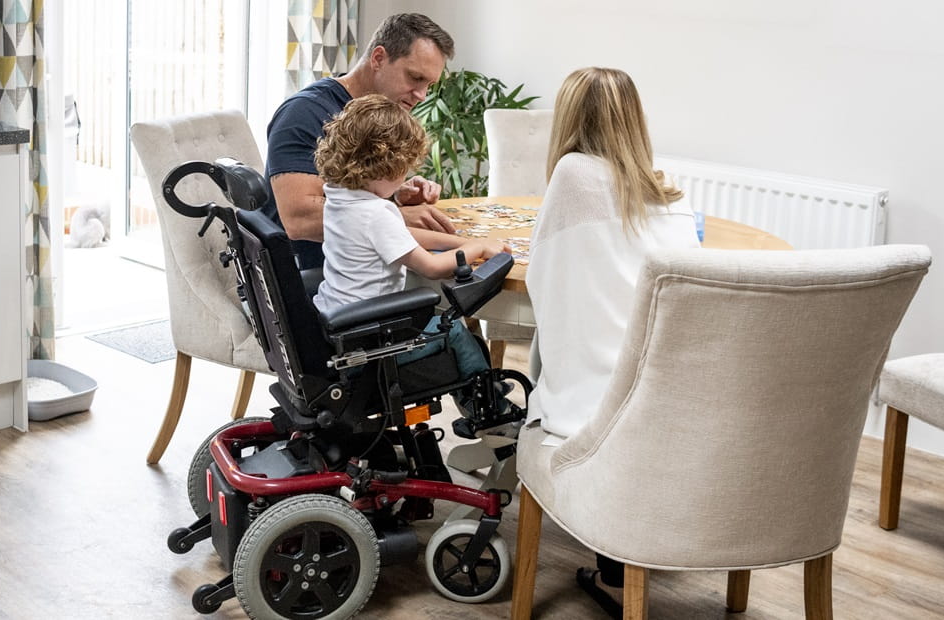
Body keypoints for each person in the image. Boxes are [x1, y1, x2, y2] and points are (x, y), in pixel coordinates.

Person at [524, 66, 702, 609]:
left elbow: (541, 275)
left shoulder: (573, 175)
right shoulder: (668, 192)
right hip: (667, 400)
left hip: (595, 405)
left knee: (538, 363)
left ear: (570, 120)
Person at [312, 94, 508, 382]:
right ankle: (488, 408)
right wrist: (476, 246)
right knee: (452, 330)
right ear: (385, 165)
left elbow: (398, 237)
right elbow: (430, 268)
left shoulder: (340, 197)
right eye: (404, 167)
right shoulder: (376, 211)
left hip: (339, 328)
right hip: (372, 340)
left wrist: (459, 242)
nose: (406, 176)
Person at [262, 13, 458, 270]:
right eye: (415, 78)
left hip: (359, 273)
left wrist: (394, 195)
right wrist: (395, 217)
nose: (422, 96)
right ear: (378, 58)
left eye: (429, 85)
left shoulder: (379, 116)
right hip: (319, 285)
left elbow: (341, 196)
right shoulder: (303, 113)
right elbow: (298, 219)